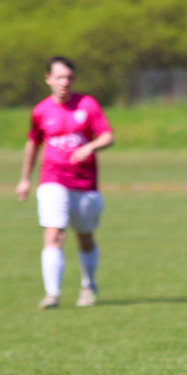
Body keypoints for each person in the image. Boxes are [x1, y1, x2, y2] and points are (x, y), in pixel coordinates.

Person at [16, 56, 114, 309]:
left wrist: (90, 146)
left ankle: (88, 286)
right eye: (59, 77)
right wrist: (25, 179)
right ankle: (52, 294)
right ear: (48, 79)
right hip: (52, 179)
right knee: (54, 233)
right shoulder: (41, 110)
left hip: (84, 183)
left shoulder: (87, 105)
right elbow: (33, 144)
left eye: (69, 78)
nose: (65, 82)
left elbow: (107, 136)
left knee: (85, 237)